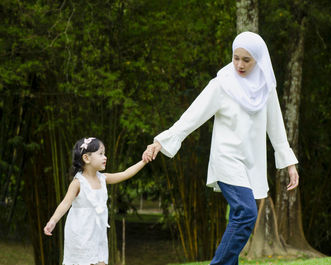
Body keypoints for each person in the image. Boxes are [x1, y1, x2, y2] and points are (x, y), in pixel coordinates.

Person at [142, 31, 299, 265]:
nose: (240, 64)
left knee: (239, 217)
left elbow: (276, 127)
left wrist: (289, 163)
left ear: (259, 60)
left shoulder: (267, 87)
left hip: (250, 163)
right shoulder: (221, 84)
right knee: (246, 213)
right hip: (226, 160)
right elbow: (191, 117)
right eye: (236, 58)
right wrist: (160, 142)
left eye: (247, 60)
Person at [44, 137, 147, 265]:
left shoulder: (103, 178)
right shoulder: (78, 183)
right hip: (80, 233)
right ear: (86, 158)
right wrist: (53, 221)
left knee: (100, 261)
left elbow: (125, 173)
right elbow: (65, 203)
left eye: (104, 154)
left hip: (98, 233)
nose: (105, 157)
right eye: (101, 154)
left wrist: (144, 161)